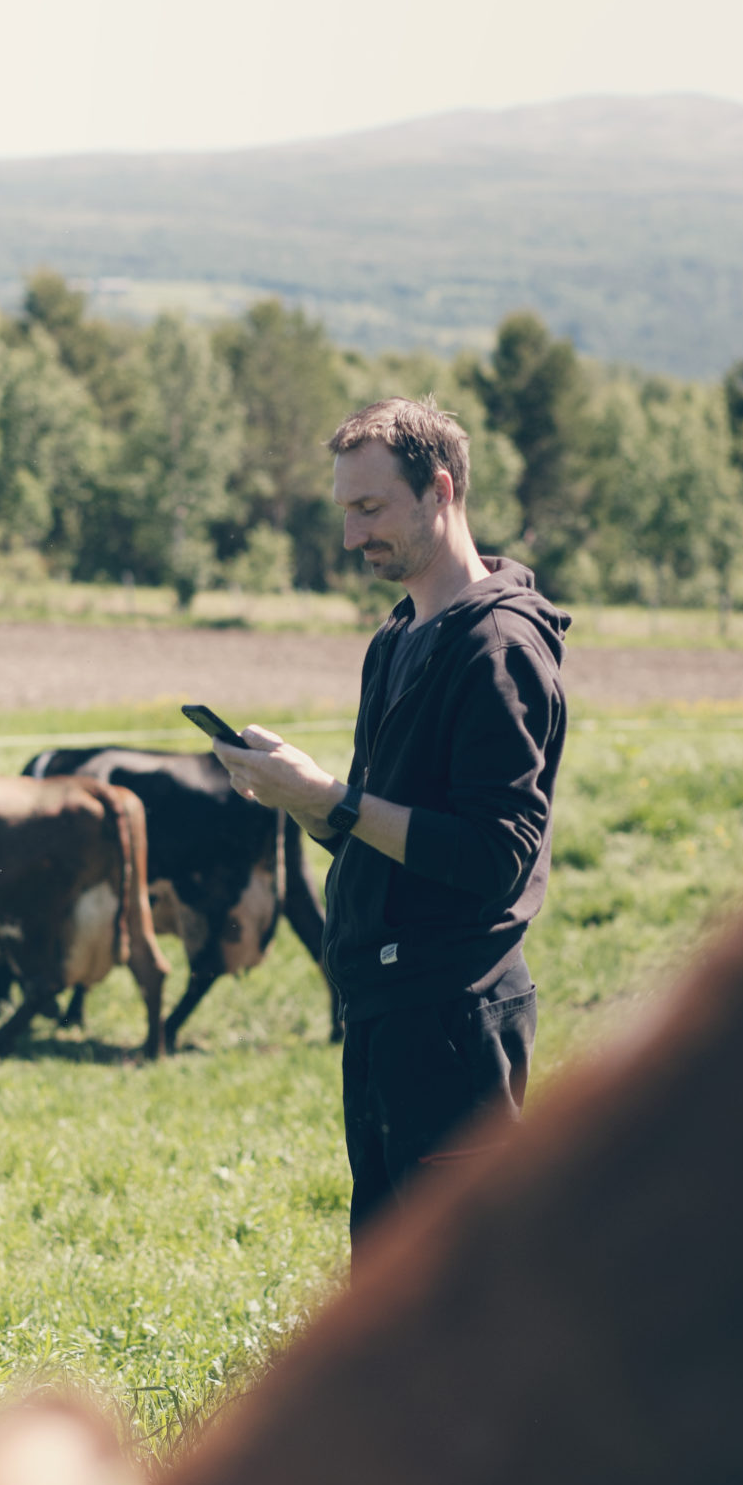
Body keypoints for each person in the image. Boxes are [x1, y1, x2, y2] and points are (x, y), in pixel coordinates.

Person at [213, 395, 568, 1248]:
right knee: (384, 1275)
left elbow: (492, 857)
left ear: (438, 490)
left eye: (368, 508)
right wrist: (306, 797)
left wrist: (334, 799)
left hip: (452, 1015)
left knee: (462, 1291)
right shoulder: (401, 633)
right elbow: (386, 828)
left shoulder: (499, 652)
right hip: (382, 1006)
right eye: (344, 510)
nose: (349, 536)